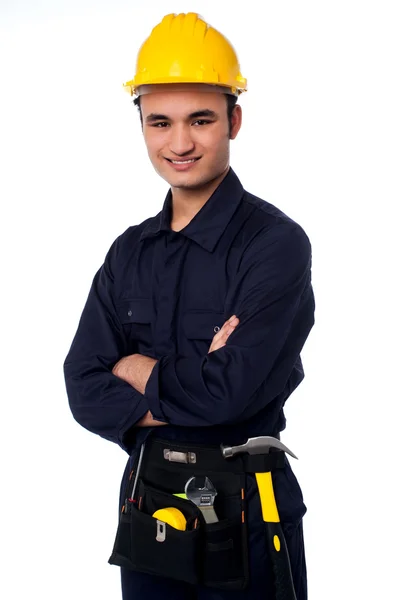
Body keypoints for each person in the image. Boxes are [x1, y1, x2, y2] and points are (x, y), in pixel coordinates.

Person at [64, 11, 315, 600]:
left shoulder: (275, 245)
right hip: (149, 504)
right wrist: (195, 382)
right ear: (143, 127)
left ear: (234, 120)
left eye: (200, 120)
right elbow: (82, 385)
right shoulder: (129, 252)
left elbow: (234, 391)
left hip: (250, 511)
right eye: (161, 122)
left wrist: (137, 370)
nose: (179, 143)